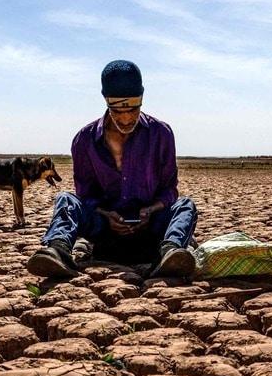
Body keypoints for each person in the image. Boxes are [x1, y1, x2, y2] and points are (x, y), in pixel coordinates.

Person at [27, 60, 198, 279]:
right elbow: (86, 195)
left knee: (185, 206)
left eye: (133, 109)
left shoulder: (161, 134)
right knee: (66, 200)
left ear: (142, 99)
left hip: (150, 228)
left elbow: (169, 191)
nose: (126, 118)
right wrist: (106, 215)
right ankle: (57, 250)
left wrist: (150, 210)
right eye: (117, 110)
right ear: (106, 101)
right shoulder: (84, 140)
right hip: (105, 229)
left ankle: (171, 253)